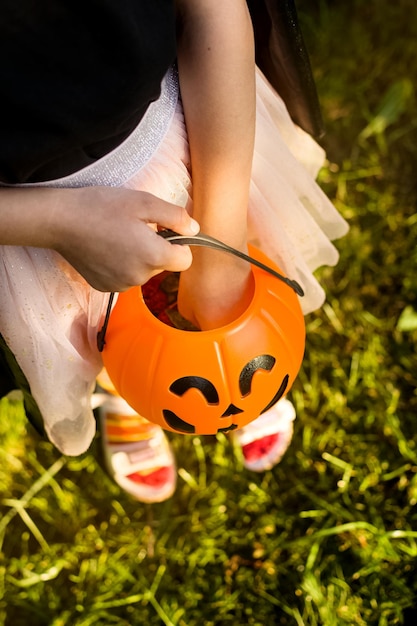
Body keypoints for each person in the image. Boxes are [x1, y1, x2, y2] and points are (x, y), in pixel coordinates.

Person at [0, 1, 348, 501]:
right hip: (28, 222)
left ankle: (242, 364)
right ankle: (131, 393)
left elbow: (214, 9)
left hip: (189, 132)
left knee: (226, 276)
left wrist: (222, 252)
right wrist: (53, 223)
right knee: (95, 329)